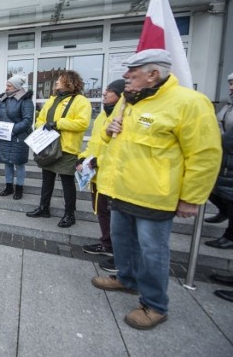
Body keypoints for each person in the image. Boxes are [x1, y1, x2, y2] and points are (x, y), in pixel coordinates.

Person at [92, 49, 221, 330]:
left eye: (132, 72)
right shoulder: (130, 101)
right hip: (120, 189)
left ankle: (154, 305)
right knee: (122, 241)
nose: (125, 77)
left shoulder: (189, 103)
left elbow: (205, 154)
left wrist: (192, 197)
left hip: (155, 195)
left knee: (153, 252)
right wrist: (109, 129)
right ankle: (126, 280)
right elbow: (109, 138)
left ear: (153, 74)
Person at [27, 70, 92, 228]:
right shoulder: (53, 100)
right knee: (47, 179)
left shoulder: (81, 101)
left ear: (69, 82)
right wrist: (42, 126)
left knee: (66, 182)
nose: (56, 82)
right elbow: (40, 119)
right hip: (48, 146)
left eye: (60, 80)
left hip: (66, 148)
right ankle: (44, 208)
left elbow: (82, 123)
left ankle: (70, 214)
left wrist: (57, 123)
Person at [76, 79, 125, 272]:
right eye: (105, 91)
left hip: (110, 174)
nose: (104, 94)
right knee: (101, 210)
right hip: (96, 173)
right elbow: (96, 143)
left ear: (120, 96)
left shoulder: (122, 117)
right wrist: (83, 157)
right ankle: (106, 243)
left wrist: (98, 160)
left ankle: (116, 251)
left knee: (111, 213)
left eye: (109, 92)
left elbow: (120, 150)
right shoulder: (102, 116)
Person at [0, 74, 34, 200]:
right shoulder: (4, 99)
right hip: (5, 136)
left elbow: (27, 121)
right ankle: (9, 186)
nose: (6, 87)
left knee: (19, 164)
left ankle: (19, 188)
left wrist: (12, 130)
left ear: (16, 87)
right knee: (7, 162)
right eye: (7, 85)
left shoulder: (26, 101)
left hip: (18, 137)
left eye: (9, 85)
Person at [204, 72, 233, 225]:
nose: (231, 87)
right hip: (223, 155)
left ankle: (230, 237)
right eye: (230, 83)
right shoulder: (228, 105)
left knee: (230, 195)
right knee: (214, 191)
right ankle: (224, 212)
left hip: (229, 154)